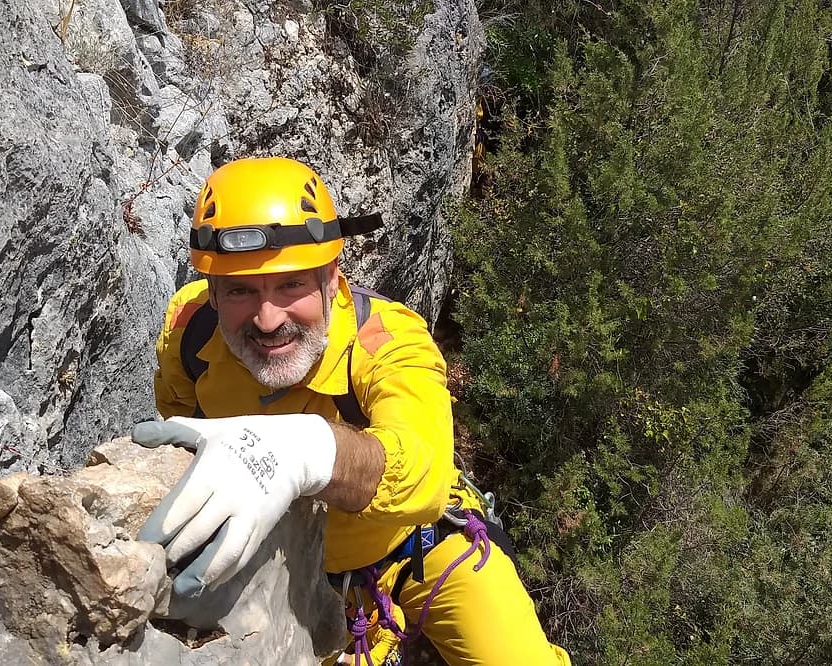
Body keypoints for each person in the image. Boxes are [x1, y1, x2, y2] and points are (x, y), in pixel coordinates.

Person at [133, 156, 571, 665]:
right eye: (240, 290)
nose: (268, 319)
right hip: (292, 566)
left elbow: (424, 471)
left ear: (331, 278)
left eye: (291, 284)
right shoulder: (189, 333)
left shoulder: (386, 341)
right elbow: (181, 431)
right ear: (212, 292)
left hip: (417, 546)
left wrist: (308, 451)